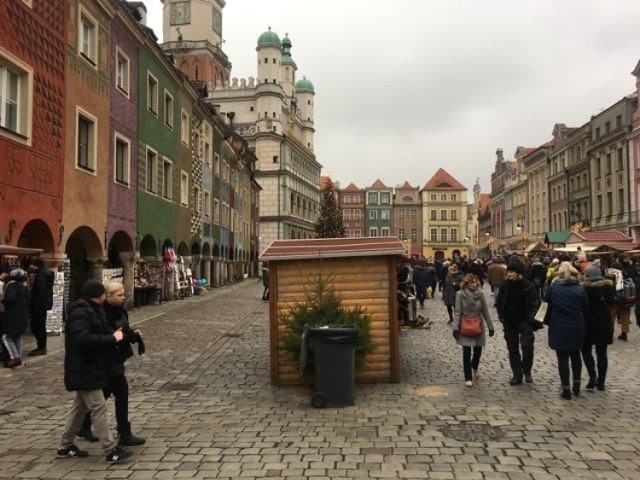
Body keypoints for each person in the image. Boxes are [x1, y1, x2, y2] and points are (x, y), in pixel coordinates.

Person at [56, 279, 133, 463]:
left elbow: (104, 331)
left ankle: (65, 446)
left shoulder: (93, 310)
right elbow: (81, 340)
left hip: (92, 366)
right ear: (98, 295)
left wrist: (125, 335)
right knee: (98, 407)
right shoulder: (81, 312)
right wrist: (111, 339)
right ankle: (111, 449)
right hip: (84, 368)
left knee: (79, 409)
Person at [77, 282, 146, 446]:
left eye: (123, 294)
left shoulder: (120, 310)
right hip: (108, 360)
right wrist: (130, 337)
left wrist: (132, 333)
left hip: (116, 359)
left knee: (105, 393)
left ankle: (84, 425)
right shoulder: (103, 313)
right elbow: (112, 335)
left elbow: (123, 331)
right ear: (107, 296)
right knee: (121, 394)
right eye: (119, 295)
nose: (123, 297)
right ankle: (123, 433)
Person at [545, 261, 588, 400]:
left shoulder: (554, 289)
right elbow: (585, 308)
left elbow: (547, 305)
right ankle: (576, 385)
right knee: (576, 355)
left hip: (559, 324)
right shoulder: (580, 289)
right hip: (577, 323)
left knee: (562, 357)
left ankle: (566, 389)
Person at [495, 258, 540, 385]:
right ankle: (517, 374)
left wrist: (531, 318)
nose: (509, 274)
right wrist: (501, 316)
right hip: (509, 322)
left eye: (512, 271)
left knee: (527, 347)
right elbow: (499, 302)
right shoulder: (505, 285)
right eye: (508, 271)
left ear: (518, 273)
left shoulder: (527, 285)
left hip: (525, 321)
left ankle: (527, 370)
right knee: (512, 349)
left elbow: (535, 303)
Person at [452, 273, 495, 387]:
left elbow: (485, 311)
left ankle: (474, 367)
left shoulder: (480, 294)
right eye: (471, 282)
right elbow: (457, 312)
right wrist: (455, 327)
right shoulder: (460, 294)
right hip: (465, 324)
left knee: (478, 351)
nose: (474, 284)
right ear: (466, 283)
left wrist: (490, 326)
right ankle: (468, 377)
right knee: (466, 352)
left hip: (477, 325)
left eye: (476, 282)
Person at [581, 264, 614, 391]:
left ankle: (592, 376)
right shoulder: (608, 287)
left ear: (588, 275)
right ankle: (601, 382)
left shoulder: (584, 289)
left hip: (588, 322)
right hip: (604, 322)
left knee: (586, 350)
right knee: (602, 353)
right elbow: (611, 303)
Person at [1, 269, 31, 368]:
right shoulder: (24, 287)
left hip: (13, 316)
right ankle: (18, 356)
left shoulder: (11, 285)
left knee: (6, 337)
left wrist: (3, 300)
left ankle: (15, 357)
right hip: (23, 316)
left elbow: (10, 298)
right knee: (17, 337)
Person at [28, 258, 54, 356]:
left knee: (37, 326)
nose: (30, 266)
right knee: (39, 326)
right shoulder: (45, 274)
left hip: (39, 306)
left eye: (31, 265)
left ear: (35, 265)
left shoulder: (41, 277)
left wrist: (35, 307)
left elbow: (40, 294)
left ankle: (41, 347)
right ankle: (41, 347)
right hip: (42, 305)